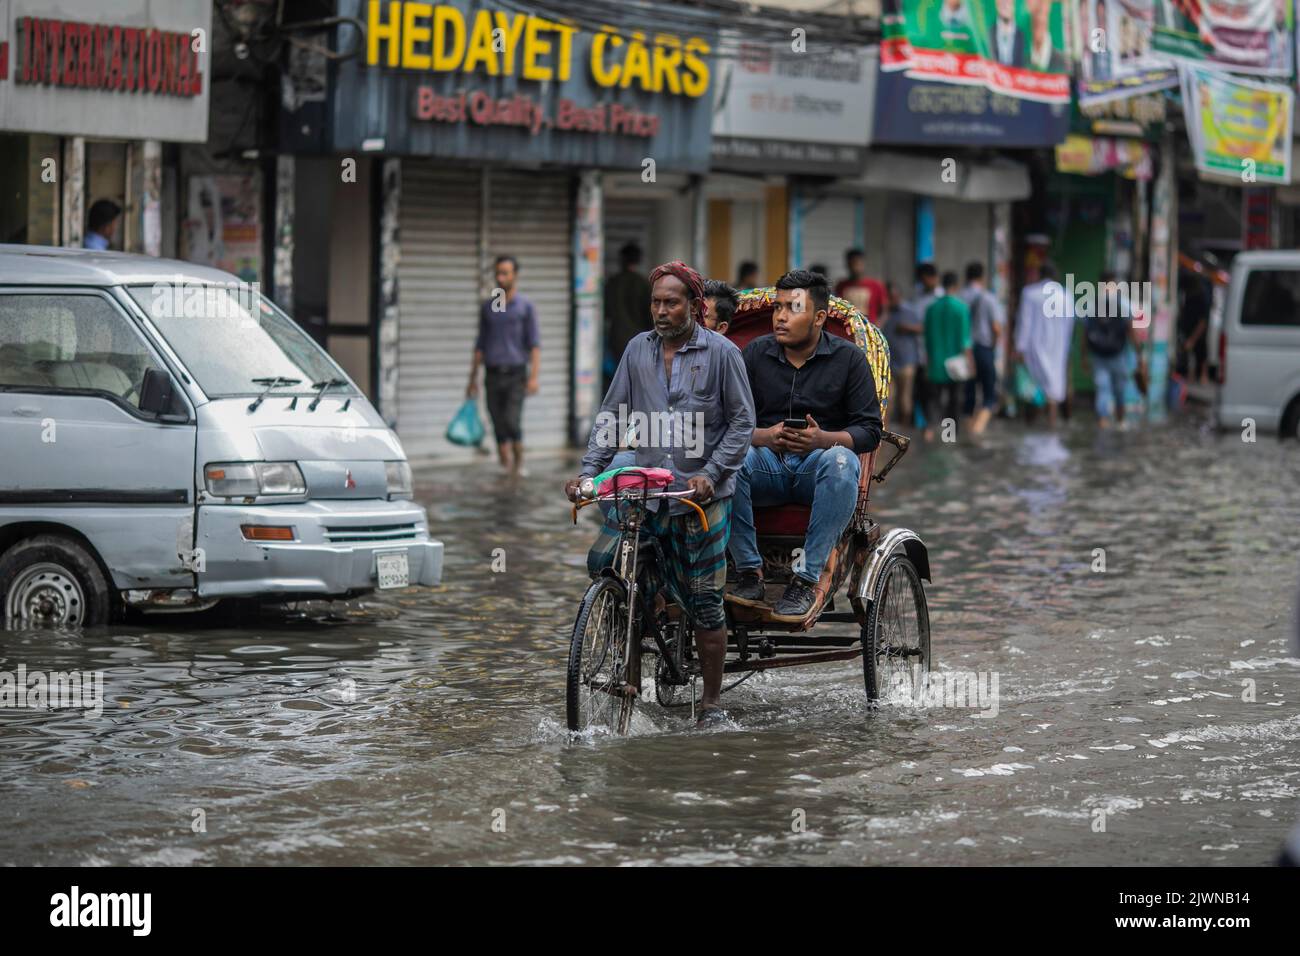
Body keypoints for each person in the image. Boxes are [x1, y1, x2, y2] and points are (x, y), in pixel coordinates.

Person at [566, 261, 755, 729]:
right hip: (647, 494)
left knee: (705, 601)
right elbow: (612, 415)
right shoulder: (636, 351)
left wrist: (712, 472)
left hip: (699, 497)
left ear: (695, 306)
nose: (662, 311)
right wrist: (588, 475)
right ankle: (627, 676)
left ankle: (711, 704)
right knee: (617, 573)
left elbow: (742, 423)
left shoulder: (723, 353)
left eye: (672, 302)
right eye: (656, 302)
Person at [727, 269, 882, 622]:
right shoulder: (754, 354)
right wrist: (764, 436)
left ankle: (807, 579)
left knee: (842, 461)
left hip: (820, 471)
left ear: (818, 318)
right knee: (729, 458)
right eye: (777, 308)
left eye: (792, 308)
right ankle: (749, 572)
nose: (780, 317)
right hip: (766, 466)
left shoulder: (849, 360)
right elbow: (730, 423)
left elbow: (870, 430)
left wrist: (824, 440)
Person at [466, 255, 540, 475]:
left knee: (511, 421)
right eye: (498, 273)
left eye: (505, 273)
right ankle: (506, 467)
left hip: (516, 374)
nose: (500, 277)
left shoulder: (525, 307)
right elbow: (480, 345)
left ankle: (518, 465)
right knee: (497, 422)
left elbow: (534, 345)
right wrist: (472, 379)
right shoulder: (489, 307)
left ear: (514, 275)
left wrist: (534, 376)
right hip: (492, 373)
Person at [1014, 260, 1074, 427]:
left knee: (1032, 388)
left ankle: (1030, 426)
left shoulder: (1029, 293)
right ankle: (1051, 426)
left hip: (1034, 346)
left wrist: (1019, 348)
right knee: (1053, 389)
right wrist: (1067, 348)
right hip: (1058, 347)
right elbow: (1070, 324)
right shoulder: (1066, 295)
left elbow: (1024, 322)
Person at [1083, 272, 1146, 428]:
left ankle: (1103, 421)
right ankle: (1120, 422)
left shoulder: (1091, 303)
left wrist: (1083, 356)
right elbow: (1132, 331)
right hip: (1119, 355)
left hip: (1098, 355)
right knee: (1119, 391)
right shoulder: (1123, 303)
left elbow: (1085, 333)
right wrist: (1139, 355)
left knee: (1102, 389)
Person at [922, 271, 974, 440]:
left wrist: (928, 362)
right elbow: (965, 341)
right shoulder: (961, 308)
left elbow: (927, 338)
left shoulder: (931, 308)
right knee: (954, 402)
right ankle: (949, 436)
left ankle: (929, 432)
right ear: (956, 286)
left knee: (933, 400)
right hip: (955, 366)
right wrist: (971, 363)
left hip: (935, 364)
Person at [961, 261, 1004, 434]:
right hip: (984, 349)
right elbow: (996, 328)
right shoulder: (988, 298)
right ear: (982, 277)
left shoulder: (959, 296)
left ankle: (966, 432)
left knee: (968, 395)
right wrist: (994, 346)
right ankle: (977, 433)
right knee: (989, 396)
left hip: (965, 352)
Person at [603, 242, 652, 385]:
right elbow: (650, 315)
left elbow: (606, 312)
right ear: (639, 259)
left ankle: (620, 406)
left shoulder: (613, 282)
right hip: (639, 339)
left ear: (621, 260)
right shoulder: (643, 284)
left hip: (616, 339)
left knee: (618, 380)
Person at [882, 280, 923, 428]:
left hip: (906, 362)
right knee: (888, 399)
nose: (892, 300)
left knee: (905, 400)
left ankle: (904, 431)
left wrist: (908, 328)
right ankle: (885, 431)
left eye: (894, 297)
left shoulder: (909, 311)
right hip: (889, 363)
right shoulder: (884, 313)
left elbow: (921, 328)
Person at [834, 248, 887, 327]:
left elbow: (884, 310)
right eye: (851, 264)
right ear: (847, 264)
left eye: (857, 263)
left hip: (869, 331)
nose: (854, 267)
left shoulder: (876, 285)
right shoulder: (841, 285)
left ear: (863, 263)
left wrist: (877, 326)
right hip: (846, 330)